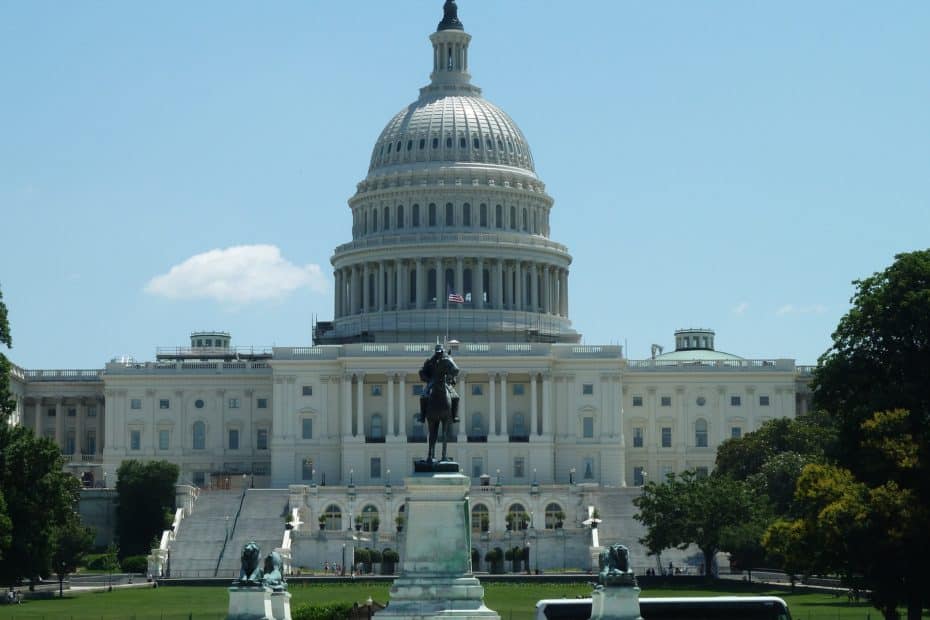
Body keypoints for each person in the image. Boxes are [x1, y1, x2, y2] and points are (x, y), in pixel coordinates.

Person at [418, 344, 460, 423]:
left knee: (456, 397)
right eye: (437, 353)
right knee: (423, 397)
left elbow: (454, 371)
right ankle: (422, 416)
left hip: (445, 382)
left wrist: (451, 378)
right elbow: (422, 372)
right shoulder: (429, 361)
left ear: (442, 352)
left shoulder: (446, 361)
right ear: (435, 353)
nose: (439, 354)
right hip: (432, 382)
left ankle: (455, 416)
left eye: (440, 352)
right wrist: (427, 379)